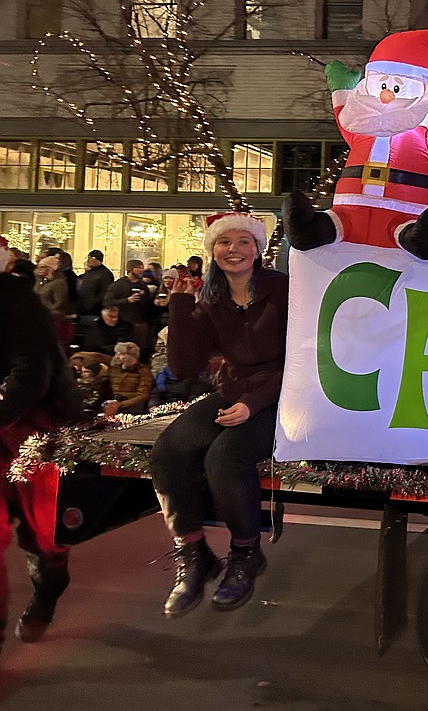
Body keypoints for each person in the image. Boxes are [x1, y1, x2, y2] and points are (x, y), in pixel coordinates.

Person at [149, 212, 288, 617]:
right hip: (232, 391)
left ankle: (246, 553)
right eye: (224, 243)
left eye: (243, 241)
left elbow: (302, 356)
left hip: (280, 395)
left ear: (258, 249)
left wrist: (253, 403)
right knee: (169, 450)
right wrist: (179, 304)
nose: (234, 250)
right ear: (212, 250)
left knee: (225, 457)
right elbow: (186, 367)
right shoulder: (212, 299)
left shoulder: (283, 290)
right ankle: (194, 554)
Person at [0, 238, 86, 653]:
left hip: (28, 430)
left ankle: (47, 591)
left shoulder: (21, 305)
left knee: (45, 532)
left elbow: (30, 373)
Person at [103, 259, 153, 358]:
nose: (141, 270)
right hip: (124, 324)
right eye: (138, 267)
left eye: (142, 267)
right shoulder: (118, 285)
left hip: (140, 324)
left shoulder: (142, 285)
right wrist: (127, 300)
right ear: (131, 269)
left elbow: (148, 303)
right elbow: (107, 302)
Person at [33, 255, 75, 348]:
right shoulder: (45, 281)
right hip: (42, 318)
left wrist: (45, 310)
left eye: (43, 267)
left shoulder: (59, 283)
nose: (39, 269)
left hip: (55, 321)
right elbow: (37, 293)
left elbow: (60, 302)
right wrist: (38, 278)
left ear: (50, 268)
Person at [76, 250, 115, 343]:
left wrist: (94, 306)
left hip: (93, 311)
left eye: (90, 258)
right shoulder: (90, 273)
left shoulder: (105, 274)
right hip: (83, 310)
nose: (88, 260)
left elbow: (104, 294)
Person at [106, 341, 153, 415]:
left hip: (133, 407)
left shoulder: (143, 371)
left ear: (130, 356)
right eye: (116, 353)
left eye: (121, 354)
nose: (117, 357)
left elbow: (143, 395)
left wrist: (121, 404)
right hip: (114, 403)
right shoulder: (115, 369)